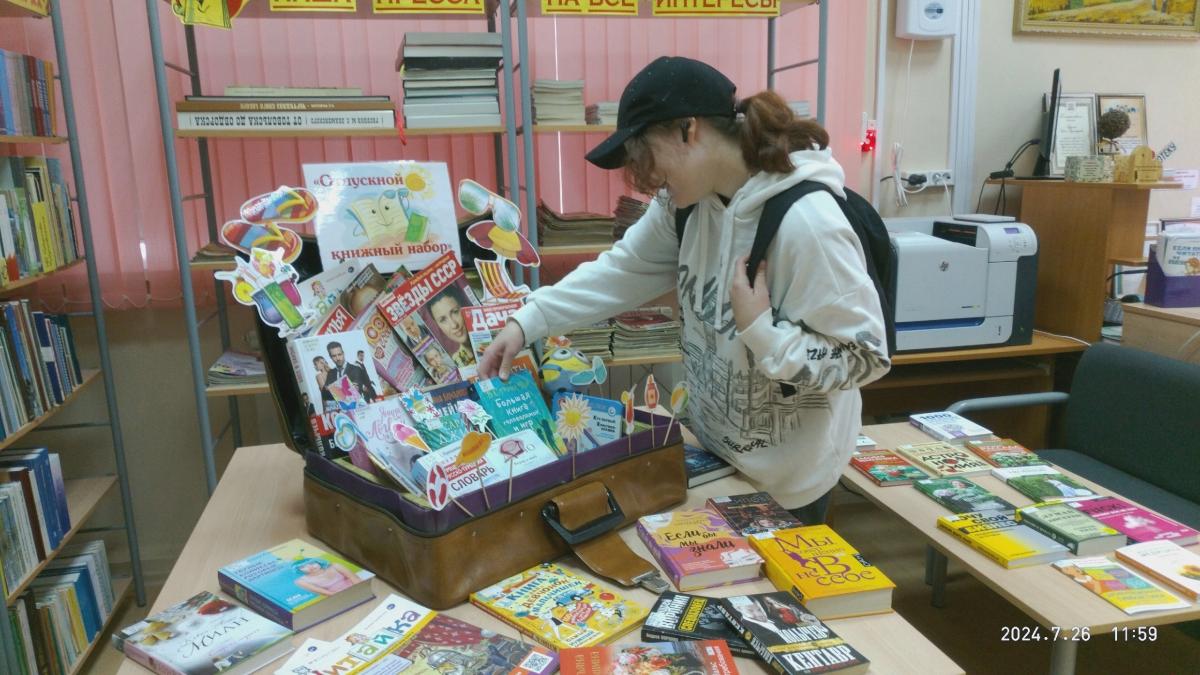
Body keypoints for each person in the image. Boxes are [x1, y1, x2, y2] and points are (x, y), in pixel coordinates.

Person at [479, 56, 890, 524]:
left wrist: (762, 331)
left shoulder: (806, 223)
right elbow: (622, 269)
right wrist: (527, 321)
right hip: (716, 461)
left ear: (688, 129)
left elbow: (866, 357)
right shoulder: (685, 204)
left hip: (790, 486)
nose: (645, 177)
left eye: (644, 154)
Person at [426, 287, 475, 368]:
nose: (454, 325)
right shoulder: (455, 363)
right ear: (438, 325)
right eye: (443, 320)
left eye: (455, 312)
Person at [292, 557, 360, 596]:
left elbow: (353, 577)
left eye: (312, 563)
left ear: (318, 562)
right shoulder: (301, 581)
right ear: (299, 570)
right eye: (303, 567)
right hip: (338, 595)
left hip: (356, 586)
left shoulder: (335, 566)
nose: (310, 567)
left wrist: (359, 589)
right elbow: (325, 593)